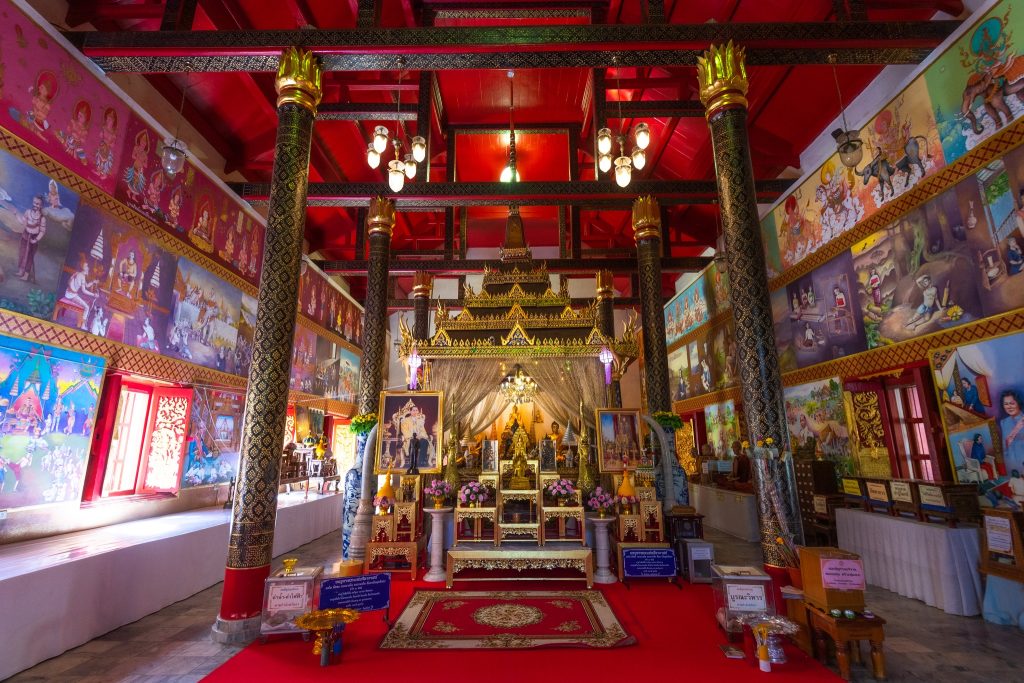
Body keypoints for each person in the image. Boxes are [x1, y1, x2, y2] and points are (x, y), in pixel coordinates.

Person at [17, 195, 47, 282]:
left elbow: (42, 231)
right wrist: (16, 215)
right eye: (34, 203)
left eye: (38, 204)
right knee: (22, 253)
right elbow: (23, 221)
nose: (35, 205)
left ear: (41, 205)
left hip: (33, 238)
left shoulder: (42, 218)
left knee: (30, 257)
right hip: (25, 235)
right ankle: (20, 271)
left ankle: (26, 275)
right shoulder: (28, 212)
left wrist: (35, 240)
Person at [1000, 390, 1024, 475]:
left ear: (1018, 403)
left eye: (1012, 403)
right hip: (1012, 466)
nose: (1009, 407)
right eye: (1006, 404)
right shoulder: (1003, 422)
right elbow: (1005, 446)